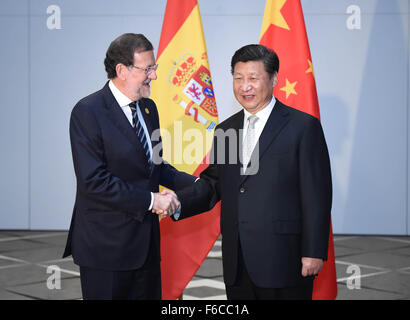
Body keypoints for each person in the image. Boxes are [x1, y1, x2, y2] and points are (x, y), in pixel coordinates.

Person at [167, 44, 332, 300]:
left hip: (284, 259)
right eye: (238, 78)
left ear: (274, 78)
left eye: (254, 79)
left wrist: (313, 251)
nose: (245, 86)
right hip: (238, 260)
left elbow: (317, 196)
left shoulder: (303, 127)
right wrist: (176, 203)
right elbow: (214, 183)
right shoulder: (226, 130)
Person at [63, 33, 195, 300]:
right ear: (121, 70)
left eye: (154, 67)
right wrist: (151, 200)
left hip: (146, 245)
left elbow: (156, 166)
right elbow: (94, 181)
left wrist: (199, 183)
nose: (154, 76)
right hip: (106, 249)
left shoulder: (149, 108)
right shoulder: (88, 112)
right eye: (147, 69)